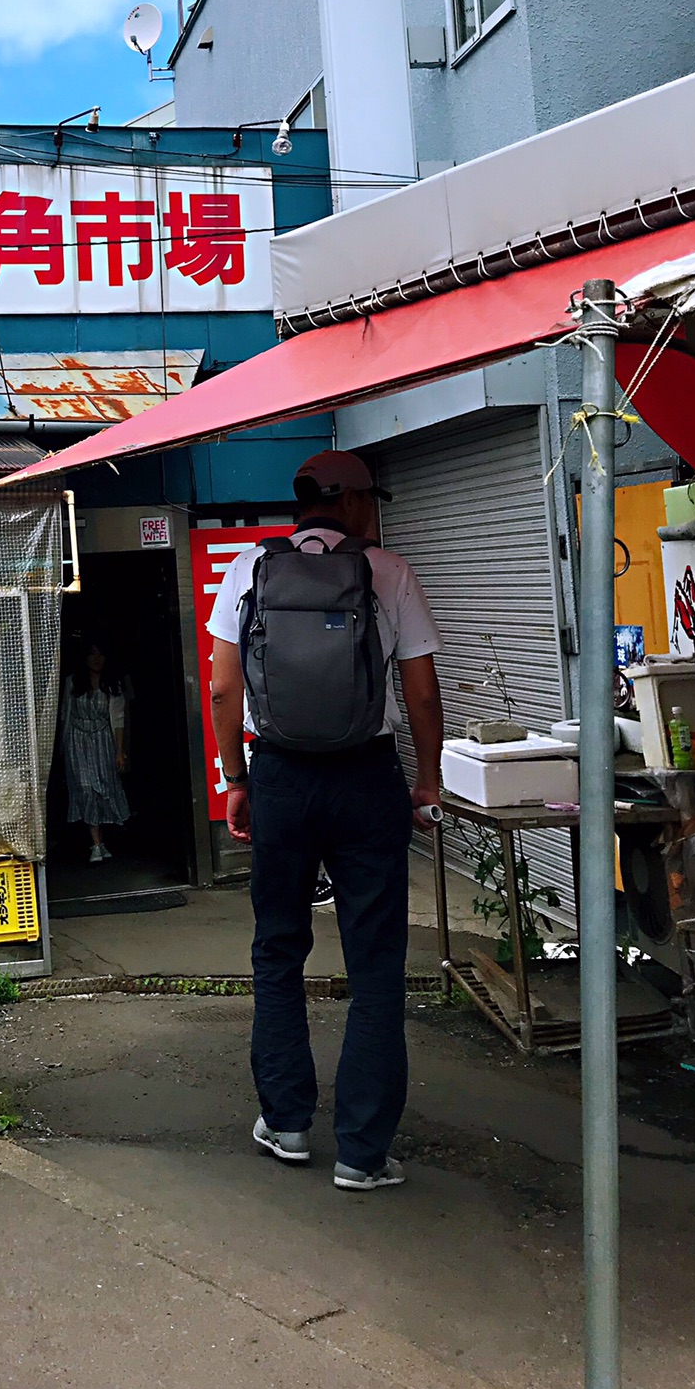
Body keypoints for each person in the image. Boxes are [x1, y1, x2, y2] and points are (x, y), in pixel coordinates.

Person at [209, 451, 444, 1192]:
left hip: (278, 774)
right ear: (346, 500)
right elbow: (423, 694)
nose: (377, 509)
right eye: (373, 496)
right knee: (375, 968)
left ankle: (284, 1124)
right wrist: (428, 780)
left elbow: (220, 691)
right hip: (364, 777)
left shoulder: (251, 569)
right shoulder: (389, 572)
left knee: (278, 949)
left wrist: (236, 780)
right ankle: (362, 1153)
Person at [61, 642, 131, 863]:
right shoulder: (72, 682)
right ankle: (97, 844)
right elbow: (65, 714)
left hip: (103, 739)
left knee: (103, 787)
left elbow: (118, 719)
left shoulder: (113, 684)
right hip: (77, 739)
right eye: (92, 654)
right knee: (85, 788)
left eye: (101, 653)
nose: (97, 658)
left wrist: (120, 751)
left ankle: (102, 839)